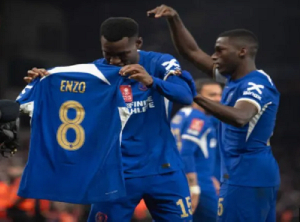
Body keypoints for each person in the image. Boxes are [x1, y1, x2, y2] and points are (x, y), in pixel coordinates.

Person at [23, 17, 196, 221]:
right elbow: (65, 87)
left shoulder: (159, 63)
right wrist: (44, 80)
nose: (114, 62)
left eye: (122, 55)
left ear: (138, 43)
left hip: (164, 170)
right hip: (115, 175)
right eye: (108, 54)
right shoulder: (95, 73)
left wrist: (152, 81)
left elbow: (185, 95)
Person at [148, 5, 280, 222]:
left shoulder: (256, 85)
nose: (213, 55)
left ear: (242, 52)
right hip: (245, 172)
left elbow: (240, 117)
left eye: (220, 50)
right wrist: (174, 19)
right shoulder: (232, 79)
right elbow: (191, 52)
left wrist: (194, 97)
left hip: (247, 174)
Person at [171, 79, 222, 221]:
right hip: (200, 183)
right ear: (197, 96)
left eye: (219, 95)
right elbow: (186, 152)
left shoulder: (182, 114)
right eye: (212, 95)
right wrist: (194, 186)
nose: (218, 99)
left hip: (181, 179)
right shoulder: (198, 119)